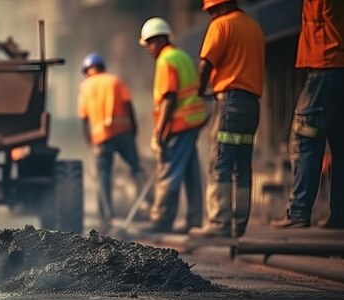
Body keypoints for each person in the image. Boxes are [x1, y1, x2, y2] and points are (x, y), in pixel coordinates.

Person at [189, 0, 264, 238]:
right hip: (252, 104)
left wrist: (200, 91)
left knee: (220, 162)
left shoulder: (221, 25)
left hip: (229, 102)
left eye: (211, 10)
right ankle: (239, 224)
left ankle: (219, 222)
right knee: (242, 165)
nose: (210, 14)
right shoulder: (253, 26)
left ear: (219, 7)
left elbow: (205, 65)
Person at [271, 0, 344, 229]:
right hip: (336, 68)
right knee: (340, 145)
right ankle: (339, 214)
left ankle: (299, 212)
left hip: (324, 68)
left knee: (305, 140)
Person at [139, 18, 207, 233]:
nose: (148, 48)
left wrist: (159, 132)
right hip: (192, 121)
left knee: (169, 170)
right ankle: (194, 219)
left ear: (160, 39)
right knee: (189, 171)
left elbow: (169, 97)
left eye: (150, 42)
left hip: (179, 123)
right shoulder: (181, 56)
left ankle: (162, 219)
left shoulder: (165, 60)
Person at [77, 52, 151, 227]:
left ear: (87, 70)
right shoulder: (115, 81)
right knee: (136, 167)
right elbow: (128, 104)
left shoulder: (85, 86)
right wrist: (134, 128)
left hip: (101, 138)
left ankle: (106, 218)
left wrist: (89, 140)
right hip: (123, 133)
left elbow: (84, 117)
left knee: (103, 177)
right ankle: (147, 205)